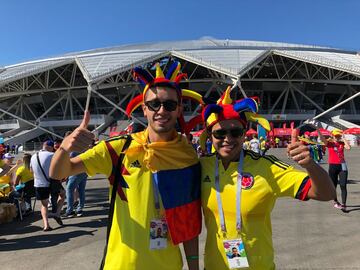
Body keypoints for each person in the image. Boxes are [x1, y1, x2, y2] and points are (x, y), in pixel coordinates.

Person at [50, 61, 201, 270]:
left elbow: (188, 220)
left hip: (168, 265)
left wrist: (194, 266)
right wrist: (64, 149)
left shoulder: (187, 157)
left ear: (179, 110)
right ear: (144, 109)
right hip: (122, 265)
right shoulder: (118, 149)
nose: (161, 110)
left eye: (169, 104)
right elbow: (59, 173)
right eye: (154, 104)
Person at [199, 89, 335, 270]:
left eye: (235, 132)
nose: (227, 139)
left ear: (244, 133)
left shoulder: (267, 167)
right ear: (210, 136)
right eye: (220, 133)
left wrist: (310, 165)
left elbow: (326, 193)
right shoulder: (201, 167)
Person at [30, 140, 64, 231]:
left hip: (39, 184)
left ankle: (46, 225)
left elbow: (31, 171)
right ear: (50, 147)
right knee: (63, 195)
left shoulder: (33, 156)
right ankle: (56, 213)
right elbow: (58, 168)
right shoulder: (52, 155)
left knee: (44, 205)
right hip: (52, 183)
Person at [319, 129, 351, 212]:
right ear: (332, 136)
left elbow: (348, 148)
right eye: (336, 136)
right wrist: (318, 130)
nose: (337, 137)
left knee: (343, 185)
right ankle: (336, 201)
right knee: (333, 186)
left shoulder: (342, 143)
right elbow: (323, 139)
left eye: (338, 136)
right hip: (333, 166)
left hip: (342, 166)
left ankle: (344, 204)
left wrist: (343, 138)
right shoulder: (329, 144)